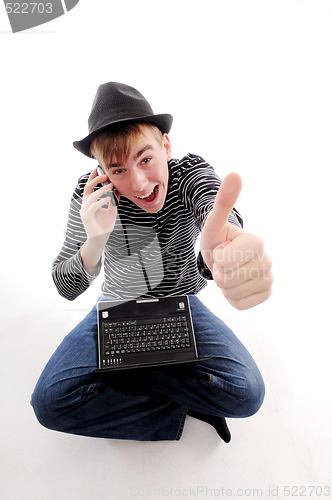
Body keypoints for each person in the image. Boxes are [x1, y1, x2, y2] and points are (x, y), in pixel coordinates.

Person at [31, 82, 273, 443]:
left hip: (182, 306)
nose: (139, 183)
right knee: (49, 403)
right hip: (117, 310)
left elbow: (216, 213)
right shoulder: (92, 199)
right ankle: (178, 403)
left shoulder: (190, 175)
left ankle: (128, 377)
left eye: (145, 159)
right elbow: (65, 288)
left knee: (246, 394)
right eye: (118, 170)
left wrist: (221, 247)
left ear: (166, 145)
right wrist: (95, 240)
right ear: (101, 173)